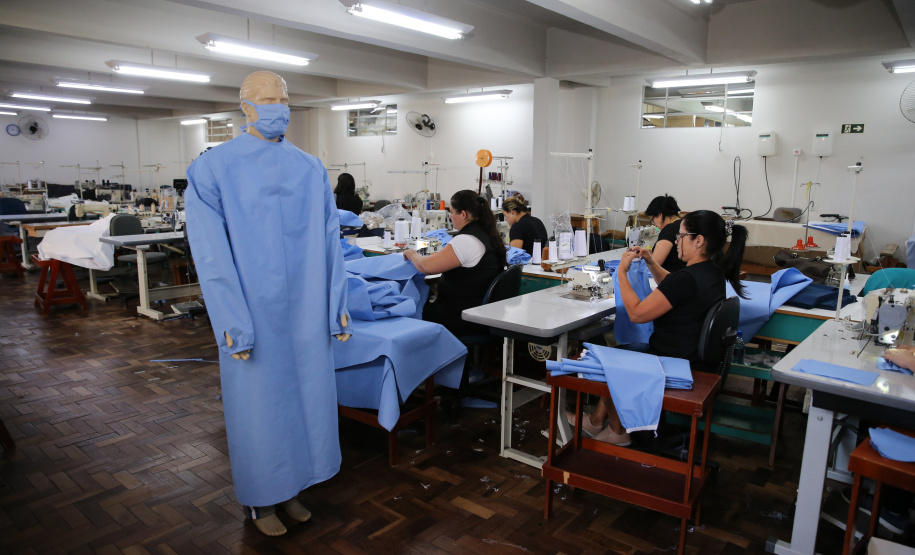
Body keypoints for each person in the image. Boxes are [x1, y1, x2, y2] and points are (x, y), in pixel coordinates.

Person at [185, 70, 352, 537]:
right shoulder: (214, 168)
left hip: (303, 308)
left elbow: (329, 240)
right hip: (252, 307)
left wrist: (335, 305)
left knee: (305, 403)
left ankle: (294, 487)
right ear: (245, 106)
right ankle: (262, 501)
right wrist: (232, 323)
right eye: (266, 98)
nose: (278, 105)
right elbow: (211, 254)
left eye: (283, 97)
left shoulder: (308, 167)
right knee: (259, 409)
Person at [571, 210, 748, 446]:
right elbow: (673, 287)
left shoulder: (687, 278)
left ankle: (618, 432)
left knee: (602, 361)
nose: (676, 241)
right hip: (692, 357)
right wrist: (651, 261)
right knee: (623, 350)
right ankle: (595, 420)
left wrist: (621, 272)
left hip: (671, 361)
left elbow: (636, 313)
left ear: (699, 241)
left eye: (681, 235)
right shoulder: (711, 272)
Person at [403, 189, 507, 337]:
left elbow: (426, 267)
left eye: (452, 213)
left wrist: (411, 254)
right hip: (478, 312)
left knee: (409, 308)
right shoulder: (488, 234)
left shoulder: (466, 240)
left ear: (463, 214)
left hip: (460, 317)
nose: (450, 217)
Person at [644, 194, 685, 272]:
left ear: (660, 215)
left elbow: (655, 263)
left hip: (671, 277)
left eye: (652, 220)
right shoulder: (684, 225)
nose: (654, 224)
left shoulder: (669, 229)